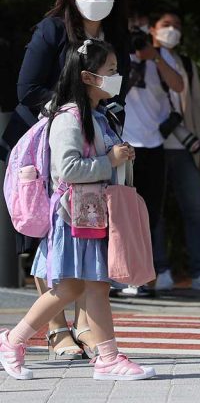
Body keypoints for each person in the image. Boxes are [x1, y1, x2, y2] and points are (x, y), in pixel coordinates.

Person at [0, 39, 155, 381]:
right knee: (80, 287)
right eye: (111, 71)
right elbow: (66, 170)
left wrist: (119, 157)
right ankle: (103, 357)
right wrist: (109, 160)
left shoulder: (96, 116)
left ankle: (17, 341)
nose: (117, 77)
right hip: (73, 219)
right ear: (88, 77)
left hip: (87, 217)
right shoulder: (69, 118)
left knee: (82, 287)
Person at [2, 0, 130, 360]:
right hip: (41, 149)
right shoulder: (52, 29)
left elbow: (118, 87)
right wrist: (68, 112)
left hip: (93, 142)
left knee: (86, 234)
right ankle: (55, 331)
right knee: (47, 236)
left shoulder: (118, 33)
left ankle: (88, 330)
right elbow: (28, 88)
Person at [149, 11, 200, 293]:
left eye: (177, 25)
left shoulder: (186, 64)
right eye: (166, 25)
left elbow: (195, 108)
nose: (172, 30)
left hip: (184, 146)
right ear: (153, 29)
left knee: (194, 210)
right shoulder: (140, 59)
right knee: (153, 212)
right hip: (151, 144)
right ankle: (159, 269)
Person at [121, 12, 185, 293]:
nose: (138, 32)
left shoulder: (159, 56)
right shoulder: (115, 53)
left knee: (150, 215)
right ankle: (120, 275)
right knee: (121, 213)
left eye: (142, 27)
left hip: (154, 144)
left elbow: (179, 86)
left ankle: (147, 277)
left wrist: (154, 57)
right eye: (133, 26)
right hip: (124, 145)